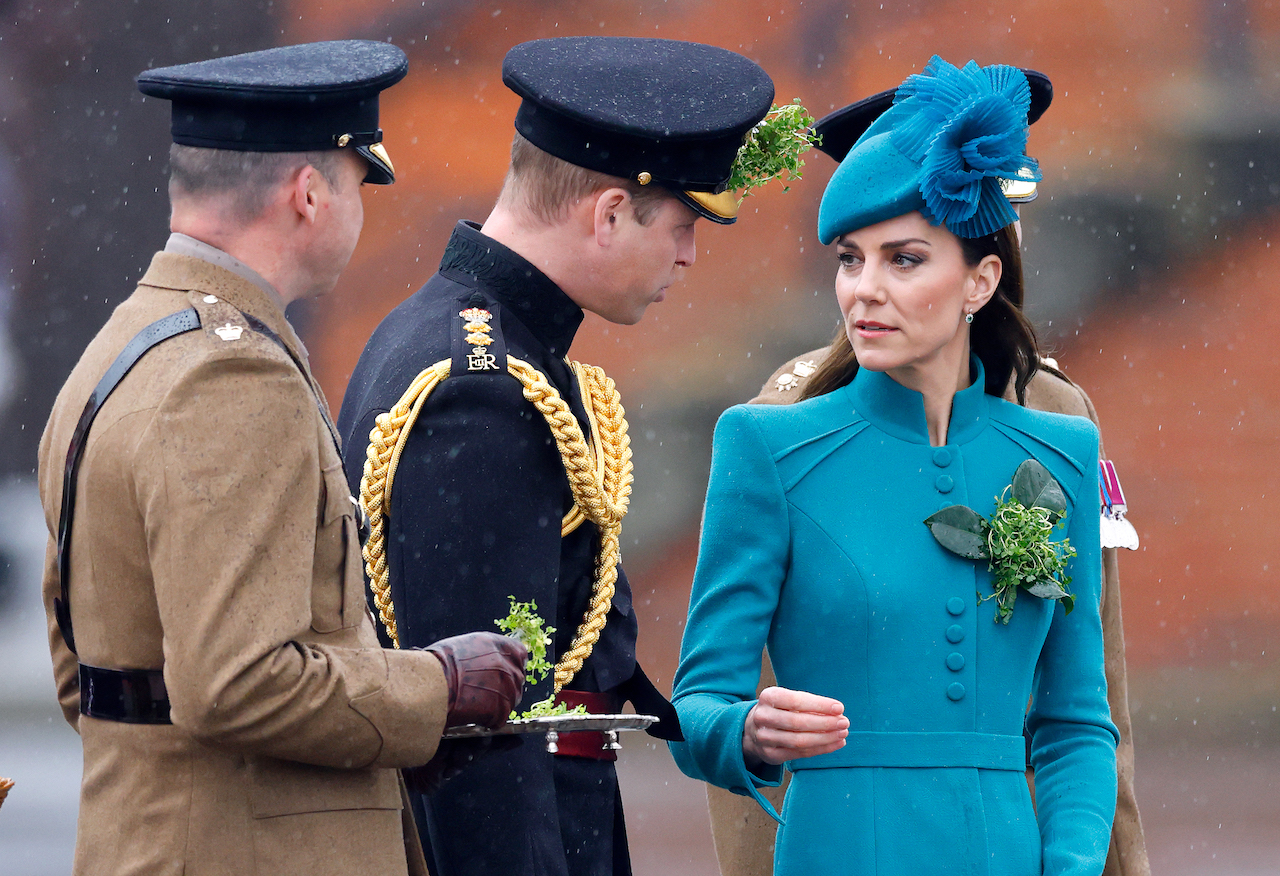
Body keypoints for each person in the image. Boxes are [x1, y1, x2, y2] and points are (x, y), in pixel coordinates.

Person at [37, 40, 527, 876]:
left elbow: (86, 672)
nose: (361, 210)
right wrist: (436, 689)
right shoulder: (233, 374)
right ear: (309, 194)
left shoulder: (121, 346)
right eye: (359, 184)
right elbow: (237, 683)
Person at [337, 36, 777, 876]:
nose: (689, 257)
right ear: (609, 213)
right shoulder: (485, 389)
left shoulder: (478, 344)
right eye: (683, 226)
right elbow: (480, 728)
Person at [669, 57, 1119, 876]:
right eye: (850, 258)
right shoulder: (765, 445)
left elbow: (1077, 722)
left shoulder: (1064, 452)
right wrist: (745, 732)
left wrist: (1073, 864)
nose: (862, 291)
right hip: (837, 851)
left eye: (903, 259)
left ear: (980, 280)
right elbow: (698, 703)